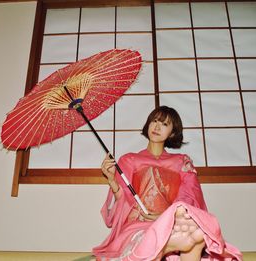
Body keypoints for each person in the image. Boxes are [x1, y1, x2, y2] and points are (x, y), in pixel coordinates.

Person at [92, 106, 242, 261]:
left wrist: (165, 216)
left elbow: (190, 197)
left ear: (173, 132)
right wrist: (112, 180)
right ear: (148, 124)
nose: (157, 127)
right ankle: (173, 244)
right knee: (142, 240)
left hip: (172, 220)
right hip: (138, 222)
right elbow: (123, 199)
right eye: (154, 121)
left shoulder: (181, 162)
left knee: (177, 230)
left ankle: (171, 243)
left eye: (164, 124)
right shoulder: (129, 160)